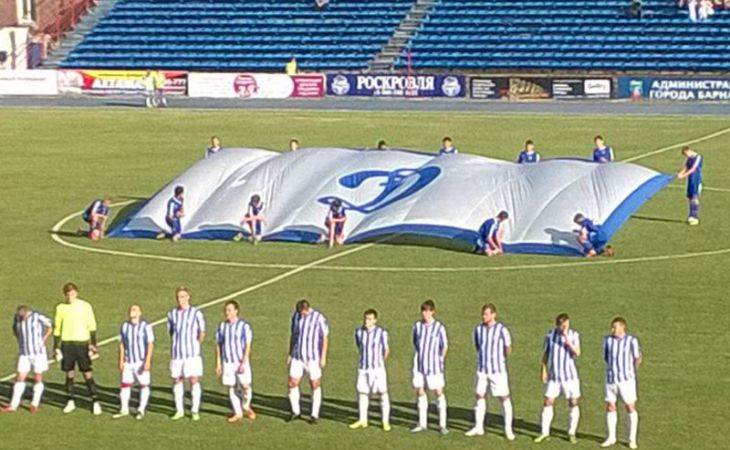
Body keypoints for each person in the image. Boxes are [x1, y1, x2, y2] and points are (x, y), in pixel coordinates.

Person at [465, 304, 515, 440]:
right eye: (483, 314)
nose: (484, 316)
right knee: (479, 396)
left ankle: (508, 428)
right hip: (482, 369)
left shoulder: (502, 330)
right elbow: (478, 346)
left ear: (493, 314)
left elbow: (508, 348)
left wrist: (500, 359)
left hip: (497, 370)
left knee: (503, 397)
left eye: (486, 314)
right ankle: (478, 426)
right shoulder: (478, 329)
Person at [53, 282, 101, 415]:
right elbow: (57, 328)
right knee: (69, 373)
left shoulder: (85, 306)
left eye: (72, 293)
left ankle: (95, 401)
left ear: (77, 293)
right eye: (68, 294)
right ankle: (70, 400)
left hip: (82, 343)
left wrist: (94, 344)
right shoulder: (60, 308)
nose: (70, 296)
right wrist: (55, 347)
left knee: (87, 372)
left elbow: (92, 325)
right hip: (67, 344)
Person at [534, 313, 582, 444]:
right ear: (557, 325)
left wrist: (568, 341)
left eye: (566, 325)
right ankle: (544, 432)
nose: (564, 328)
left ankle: (571, 432)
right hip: (555, 377)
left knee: (573, 402)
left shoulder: (574, 335)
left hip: (570, 377)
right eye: (562, 326)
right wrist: (543, 370)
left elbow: (577, 353)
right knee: (548, 401)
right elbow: (546, 354)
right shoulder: (550, 335)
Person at [1, 306, 52, 413]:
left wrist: (44, 339)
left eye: (23, 316)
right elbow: (15, 329)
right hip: (24, 353)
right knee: (20, 377)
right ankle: (13, 405)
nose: (21, 318)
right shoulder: (18, 318)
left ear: (27, 313)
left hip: (38, 353)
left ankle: (35, 403)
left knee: (37, 377)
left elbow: (50, 325)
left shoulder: (37, 316)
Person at [601, 317, 642, 450]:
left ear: (622, 327)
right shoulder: (608, 340)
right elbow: (606, 358)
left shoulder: (631, 341)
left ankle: (632, 439)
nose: (612, 330)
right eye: (612, 327)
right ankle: (611, 437)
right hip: (611, 379)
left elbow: (637, 358)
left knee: (630, 407)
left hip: (626, 380)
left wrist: (630, 372)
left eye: (615, 327)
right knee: (611, 406)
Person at [167, 286, 206, 421]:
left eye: (183, 296)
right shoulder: (172, 314)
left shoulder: (196, 313)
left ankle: (194, 410)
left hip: (192, 355)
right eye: (178, 297)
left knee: (193, 380)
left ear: (188, 297)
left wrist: (195, 345)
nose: (180, 300)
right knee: (177, 380)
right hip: (177, 354)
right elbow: (171, 332)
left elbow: (202, 332)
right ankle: (179, 410)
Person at [287, 299, 329, 424]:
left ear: (307, 309)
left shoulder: (319, 318)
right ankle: (296, 411)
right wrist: (290, 353)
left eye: (303, 313)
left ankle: (314, 414)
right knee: (292, 383)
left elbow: (325, 337)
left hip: (312, 358)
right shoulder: (296, 316)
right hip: (298, 356)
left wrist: (323, 356)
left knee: (315, 384)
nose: (302, 316)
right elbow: (294, 335)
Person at [349, 309, 391, 431]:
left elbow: (386, 350)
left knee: (382, 393)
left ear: (375, 320)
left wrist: (379, 362)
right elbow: (359, 346)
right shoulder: (358, 332)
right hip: (363, 367)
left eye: (369, 319)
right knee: (362, 392)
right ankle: (363, 420)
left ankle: (385, 421)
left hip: (377, 368)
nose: (366, 321)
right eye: (365, 318)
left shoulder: (381, 333)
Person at [410, 300, 448, 435]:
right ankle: (422, 423)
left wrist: (439, 360)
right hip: (419, 364)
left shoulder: (439, 327)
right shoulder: (417, 326)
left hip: (434, 366)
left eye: (427, 311)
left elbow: (444, 346)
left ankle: (442, 424)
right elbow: (415, 342)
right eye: (423, 311)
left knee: (438, 392)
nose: (425, 314)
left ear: (432, 312)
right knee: (420, 391)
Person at [215, 300, 256, 423]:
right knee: (231, 386)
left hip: (240, 361)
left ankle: (246, 405)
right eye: (226, 310)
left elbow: (248, 345)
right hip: (228, 362)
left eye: (229, 310)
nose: (227, 313)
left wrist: (244, 361)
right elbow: (218, 344)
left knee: (245, 385)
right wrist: (218, 362)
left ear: (236, 311)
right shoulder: (222, 326)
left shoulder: (244, 326)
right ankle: (238, 412)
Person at [113, 304, 154, 420]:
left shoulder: (145, 326)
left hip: (140, 361)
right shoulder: (125, 326)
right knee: (125, 385)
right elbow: (122, 344)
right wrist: (121, 360)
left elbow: (150, 344)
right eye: (131, 309)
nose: (132, 311)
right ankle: (124, 408)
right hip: (128, 361)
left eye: (135, 309)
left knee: (144, 385)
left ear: (140, 313)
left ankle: (141, 409)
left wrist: (147, 360)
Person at [677, 146, 703, 225]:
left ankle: (694, 216)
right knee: (690, 197)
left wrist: (683, 175)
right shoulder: (689, 159)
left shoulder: (698, 157)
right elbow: (686, 167)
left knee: (694, 197)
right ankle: (691, 216)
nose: (686, 156)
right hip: (690, 180)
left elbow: (693, 169)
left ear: (689, 151)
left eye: (686, 154)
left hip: (696, 179)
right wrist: (680, 173)